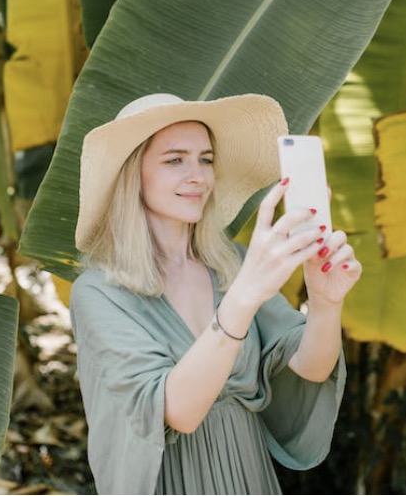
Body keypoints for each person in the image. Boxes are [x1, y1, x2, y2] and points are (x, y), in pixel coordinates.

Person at [70, 93, 362, 494]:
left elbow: (310, 369)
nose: (198, 176)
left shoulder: (231, 266)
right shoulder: (99, 293)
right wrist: (243, 298)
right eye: (175, 160)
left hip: (248, 477)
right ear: (133, 174)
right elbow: (179, 412)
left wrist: (326, 303)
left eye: (205, 159)